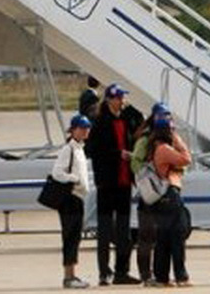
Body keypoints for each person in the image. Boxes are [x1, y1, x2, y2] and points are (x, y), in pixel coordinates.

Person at [85, 83, 143, 285]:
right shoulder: (100, 123)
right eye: (119, 98)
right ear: (110, 99)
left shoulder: (127, 120)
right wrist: (119, 154)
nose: (123, 101)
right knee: (104, 230)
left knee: (124, 231)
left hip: (124, 182)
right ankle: (104, 272)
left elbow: (136, 133)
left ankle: (122, 271)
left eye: (123, 98)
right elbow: (93, 151)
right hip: (107, 184)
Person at [50, 114, 94, 289]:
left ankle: (72, 274)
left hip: (78, 198)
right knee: (70, 237)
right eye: (82, 128)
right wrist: (74, 179)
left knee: (75, 237)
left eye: (87, 128)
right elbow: (57, 173)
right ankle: (68, 277)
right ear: (73, 129)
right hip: (70, 198)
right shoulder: (68, 149)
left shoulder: (79, 149)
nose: (85, 131)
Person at [148, 116, 192, 286]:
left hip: (162, 197)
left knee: (164, 238)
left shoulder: (155, 147)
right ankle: (181, 275)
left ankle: (162, 276)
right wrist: (178, 141)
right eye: (172, 130)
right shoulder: (164, 148)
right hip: (170, 195)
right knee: (177, 235)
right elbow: (186, 159)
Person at [129, 102, 170, 283]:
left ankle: (160, 274)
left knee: (160, 236)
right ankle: (146, 275)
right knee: (146, 236)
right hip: (149, 192)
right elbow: (135, 163)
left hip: (164, 192)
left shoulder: (169, 137)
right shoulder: (144, 139)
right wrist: (149, 176)